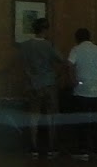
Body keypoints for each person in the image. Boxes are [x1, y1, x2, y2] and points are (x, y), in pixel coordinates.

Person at [7, 16, 62, 154]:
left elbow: (20, 63)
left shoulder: (25, 46)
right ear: (45, 29)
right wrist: (55, 75)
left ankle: (34, 146)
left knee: (33, 115)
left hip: (32, 83)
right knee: (50, 115)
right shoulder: (49, 45)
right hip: (49, 83)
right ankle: (51, 146)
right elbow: (61, 60)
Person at [63, 23, 97, 160]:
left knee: (82, 121)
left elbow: (69, 64)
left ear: (77, 39)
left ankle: (83, 150)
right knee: (96, 122)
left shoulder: (76, 49)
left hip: (81, 90)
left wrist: (72, 81)